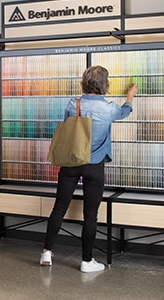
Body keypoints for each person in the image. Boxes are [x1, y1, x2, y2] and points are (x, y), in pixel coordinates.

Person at [40, 66, 138, 272]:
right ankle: (86, 261)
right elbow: (125, 112)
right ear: (104, 84)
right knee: (91, 214)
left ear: (84, 82)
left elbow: (69, 127)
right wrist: (130, 97)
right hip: (94, 166)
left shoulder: (72, 104)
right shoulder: (110, 108)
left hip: (71, 162)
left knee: (59, 208)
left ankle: (46, 252)